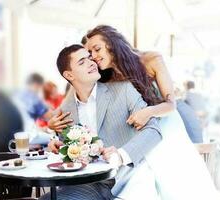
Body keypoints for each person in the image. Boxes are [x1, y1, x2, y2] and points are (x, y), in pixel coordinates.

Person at [49, 25, 217, 199]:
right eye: (90, 54)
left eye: (97, 49)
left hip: (163, 119)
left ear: (112, 44)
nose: (94, 58)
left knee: (173, 180)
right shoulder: (103, 72)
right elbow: (72, 97)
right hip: (135, 129)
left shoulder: (151, 59)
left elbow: (171, 104)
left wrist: (148, 112)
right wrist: (53, 124)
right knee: (143, 175)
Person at [41, 45, 162, 199]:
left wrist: (120, 155)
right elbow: (72, 151)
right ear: (69, 75)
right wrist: (58, 145)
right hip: (90, 185)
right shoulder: (66, 109)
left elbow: (154, 130)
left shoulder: (123, 90)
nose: (92, 62)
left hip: (129, 181)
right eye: (82, 62)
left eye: (90, 58)